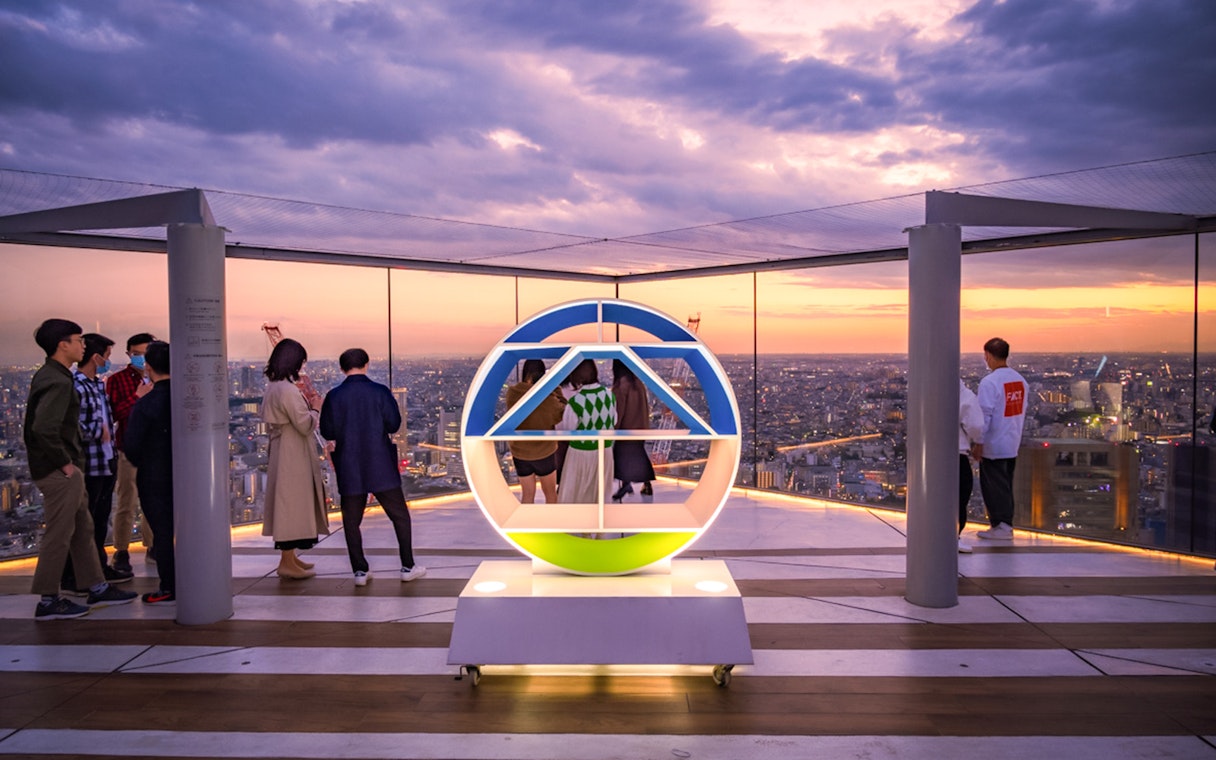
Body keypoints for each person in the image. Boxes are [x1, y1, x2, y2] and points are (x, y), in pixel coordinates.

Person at [25, 319, 137, 620]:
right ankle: (48, 600)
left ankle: (95, 585)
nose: (82, 345)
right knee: (60, 534)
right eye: (77, 340)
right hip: (60, 470)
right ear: (63, 344)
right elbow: (44, 428)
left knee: (83, 529)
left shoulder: (54, 375)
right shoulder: (59, 381)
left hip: (68, 467)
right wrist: (65, 463)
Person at [319, 348, 426, 587]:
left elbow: (327, 431)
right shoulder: (380, 392)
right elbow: (394, 424)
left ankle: (360, 571)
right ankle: (407, 566)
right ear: (367, 365)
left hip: (349, 464)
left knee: (351, 521)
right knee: (399, 516)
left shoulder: (334, 396)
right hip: (380, 463)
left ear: (341, 369)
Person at [62, 332, 132, 587]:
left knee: (100, 519)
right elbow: (71, 425)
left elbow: (108, 416)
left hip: (106, 460)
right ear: (96, 357)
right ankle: (74, 575)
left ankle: (98, 568)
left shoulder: (97, 384)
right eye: (107, 357)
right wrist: (97, 431)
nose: (109, 362)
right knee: (86, 522)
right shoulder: (76, 386)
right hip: (89, 463)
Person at [261, 338, 329, 579]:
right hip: (293, 452)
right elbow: (304, 425)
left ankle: (290, 559)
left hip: (285, 450)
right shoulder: (288, 390)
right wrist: (316, 407)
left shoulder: (274, 386)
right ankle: (286, 563)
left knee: (289, 504)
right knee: (291, 505)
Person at [123, 341, 176, 603]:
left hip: (155, 478)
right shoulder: (188, 400)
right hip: (190, 478)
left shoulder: (146, 403)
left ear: (149, 367)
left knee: (163, 534)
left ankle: (169, 586)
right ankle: (201, 578)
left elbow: (131, 446)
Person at [105, 332, 156, 573]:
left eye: (146, 354)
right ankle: (121, 550)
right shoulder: (117, 380)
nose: (141, 359)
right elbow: (115, 413)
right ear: (128, 354)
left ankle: (153, 545)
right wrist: (138, 397)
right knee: (126, 501)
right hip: (129, 448)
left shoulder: (162, 379)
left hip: (155, 450)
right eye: (137, 354)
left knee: (154, 502)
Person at [974, 337, 1028, 541]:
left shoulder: (990, 382)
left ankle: (1001, 526)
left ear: (987, 355)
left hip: (994, 444)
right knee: (1005, 484)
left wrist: (979, 442)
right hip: (1012, 441)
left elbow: (984, 416)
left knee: (994, 486)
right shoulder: (1020, 380)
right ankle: (1005, 524)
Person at [504, 359, 566, 504]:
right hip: (544, 451)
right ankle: (551, 526)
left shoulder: (512, 393)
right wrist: (554, 388)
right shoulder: (547, 397)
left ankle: (527, 525)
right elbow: (562, 412)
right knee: (550, 494)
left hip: (520, 452)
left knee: (527, 495)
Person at [557, 359, 616, 505]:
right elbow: (613, 421)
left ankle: (581, 524)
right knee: (601, 493)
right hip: (605, 450)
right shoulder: (610, 396)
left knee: (577, 493)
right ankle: (599, 524)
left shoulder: (576, 401)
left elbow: (568, 428)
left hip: (580, 453)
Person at [611, 359, 656, 502]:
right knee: (637, 456)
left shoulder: (621, 386)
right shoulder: (638, 383)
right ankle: (639, 484)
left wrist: (614, 428)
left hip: (626, 429)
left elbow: (618, 411)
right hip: (641, 427)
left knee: (621, 457)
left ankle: (626, 485)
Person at [957, 378, 984, 553]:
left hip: (926, 456)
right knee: (959, 498)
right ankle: (954, 536)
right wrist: (976, 441)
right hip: (956, 454)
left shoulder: (925, 390)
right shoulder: (964, 395)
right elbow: (976, 425)